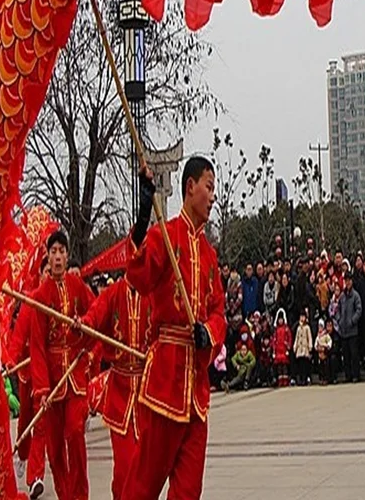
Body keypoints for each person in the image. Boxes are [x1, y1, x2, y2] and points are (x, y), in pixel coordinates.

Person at [121, 158, 226, 500]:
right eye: (208, 187)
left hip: (196, 390)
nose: (212, 197)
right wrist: (141, 216)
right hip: (165, 382)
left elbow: (219, 312)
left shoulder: (210, 256)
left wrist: (208, 332)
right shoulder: (164, 236)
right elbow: (138, 274)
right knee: (143, 485)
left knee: (188, 489)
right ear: (190, 186)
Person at [30, 229, 95, 500]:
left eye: (61, 252)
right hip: (53, 380)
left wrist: (85, 325)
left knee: (75, 433)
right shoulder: (39, 296)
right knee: (55, 447)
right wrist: (42, 389)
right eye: (53, 252)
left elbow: (96, 311)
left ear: (67, 256)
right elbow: (37, 347)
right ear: (47, 256)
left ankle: (80, 495)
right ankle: (65, 495)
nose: (57, 257)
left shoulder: (77, 286)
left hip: (75, 375)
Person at [78, 275, 151, 500]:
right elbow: (95, 316)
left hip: (148, 393)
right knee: (124, 467)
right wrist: (84, 324)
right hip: (120, 392)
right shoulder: (113, 293)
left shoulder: (155, 291)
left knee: (148, 468)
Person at [8, 256, 51, 499]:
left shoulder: (60, 300)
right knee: (25, 420)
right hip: (28, 372)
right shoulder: (31, 300)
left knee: (41, 425)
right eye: (45, 271)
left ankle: (36, 476)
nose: (49, 275)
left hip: (49, 375)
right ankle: (22, 456)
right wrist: (12, 359)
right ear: (40, 273)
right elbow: (19, 333)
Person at [337, 274, 362, 383]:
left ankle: (356, 375)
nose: (347, 283)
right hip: (343, 330)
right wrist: (339, 320)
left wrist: (353, 320)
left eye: (349, 281)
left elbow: (359, 309)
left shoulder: (355, 295)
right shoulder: (342, 296)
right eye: (345, 281)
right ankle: (348, 375)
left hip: (352, 330)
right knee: (346, 355)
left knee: (354, 354)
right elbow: (337, 309)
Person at [292, 310, 313, 386]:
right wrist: (295, 346)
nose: (302, 318)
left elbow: (309, 338)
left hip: (305, 348)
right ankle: (300, 379)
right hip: (299, 349)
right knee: (300, 365)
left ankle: (305, 378)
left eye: (303, 316)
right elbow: (296, 338)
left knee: (305, 364)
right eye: (301, 317)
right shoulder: (298, 328)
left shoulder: (307, 327)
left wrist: (310, 347)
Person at [272, 308, 292, 387]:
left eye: (281, 319)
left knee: (284, 366)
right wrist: (274, 350)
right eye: (279, 320)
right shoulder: (276, 330)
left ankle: (285, 380)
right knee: (279, 367)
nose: (280, 321)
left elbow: (289, 338)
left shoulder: (286, 329)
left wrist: (288, 347)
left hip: (284, 349)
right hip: (278, 350)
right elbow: (274, 340)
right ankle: (280, 380)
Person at [314, 319, 333, 386]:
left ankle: (326, 378)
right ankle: (321, 378)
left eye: (321, 327)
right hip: (319, 352)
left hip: (324, 352)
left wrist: (327, 346)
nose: (320, 329)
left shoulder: (326, 335)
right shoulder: (318, 336)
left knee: (325, 367)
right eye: (319, 327)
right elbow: (315, 343)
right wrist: (316, 347)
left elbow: (329, 341)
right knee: (320, 367)